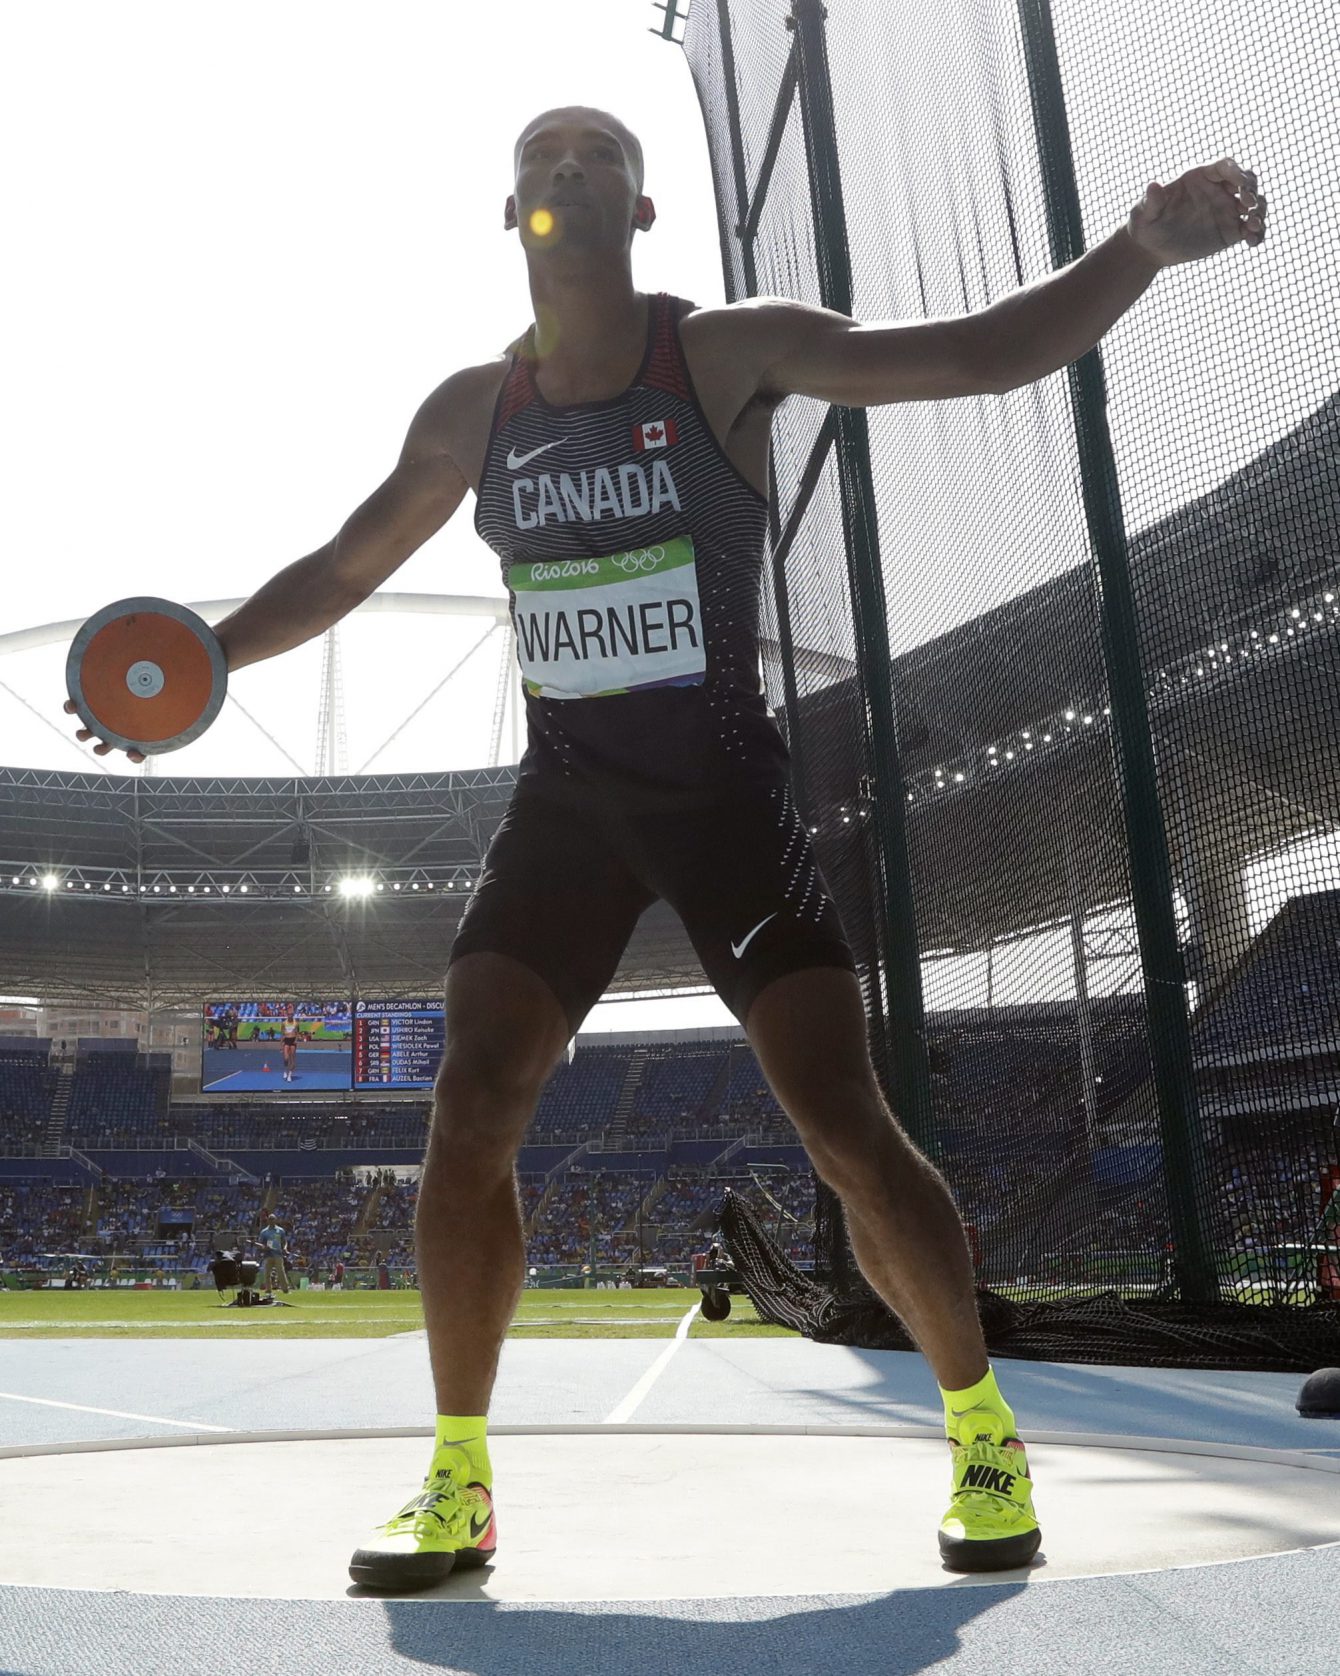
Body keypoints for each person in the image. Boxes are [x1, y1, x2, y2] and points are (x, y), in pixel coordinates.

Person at [63, 104, 1266, 1592]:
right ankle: (457, 1481)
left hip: (719, 791)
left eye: (598, 159)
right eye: (540, 163)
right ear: (510, 219)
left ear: (640, 215)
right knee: (470, 1099)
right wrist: (206, 659)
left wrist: (1140, 248)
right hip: (568, 802)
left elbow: (974, 351)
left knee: (840, 1119)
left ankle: (981, 1435)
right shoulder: (468, 416)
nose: (567, 172)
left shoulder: (725, 354)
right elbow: (344, 564)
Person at [256, 1212, 291, 1295]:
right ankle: (268, 1290)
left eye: (273, 1219)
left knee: (281, 1272)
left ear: (275, 1220)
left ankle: (285, 1289)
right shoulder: (264, 1232)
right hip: (268, 1255)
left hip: (278, 1255)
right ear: (268, 1221)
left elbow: (284, 1241)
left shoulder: (280, 1230)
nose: (271, 1221)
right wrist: (264, 1247)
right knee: (267, 1273)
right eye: (270, 1219)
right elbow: (260, 1243)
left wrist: (285, 1248)